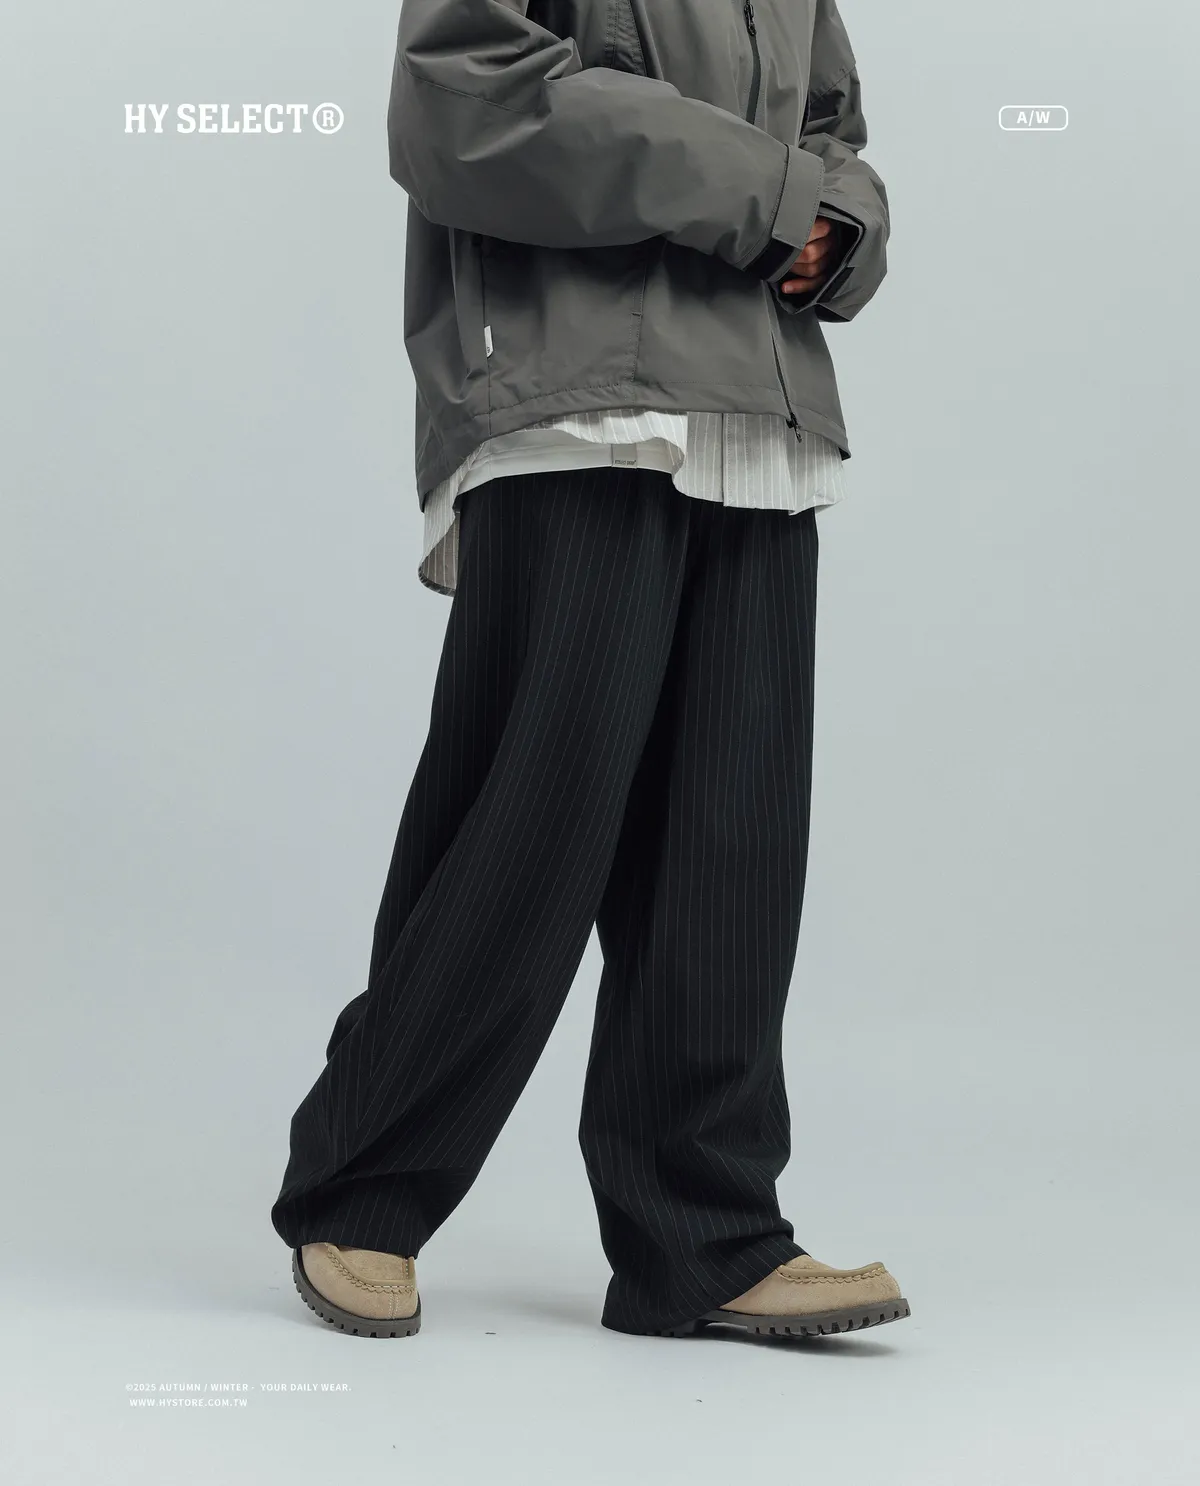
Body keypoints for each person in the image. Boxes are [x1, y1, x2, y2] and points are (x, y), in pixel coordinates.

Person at [270, 0, 910, 1341]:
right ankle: (364, 1189)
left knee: (729, 848)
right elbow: (465, 98)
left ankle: (705, 1238)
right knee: (528, 823)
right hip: (578, 401)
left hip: (757, 410)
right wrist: (773, 199)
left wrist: (842, 225)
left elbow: (830, 133)